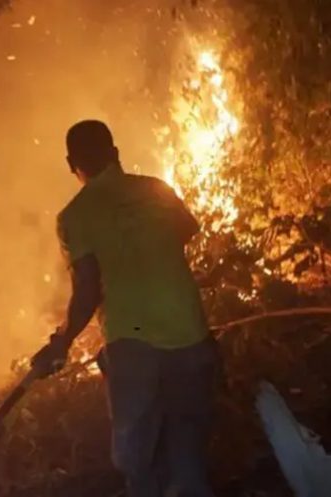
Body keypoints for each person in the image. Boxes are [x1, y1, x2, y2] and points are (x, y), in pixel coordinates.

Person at [31, 120, 218, 497]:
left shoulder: (74, 216)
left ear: (72, 165)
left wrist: (61, 342)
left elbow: (87, 291)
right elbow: (187, 231)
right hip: (190, 332)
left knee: (136, 458)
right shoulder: (156, 189)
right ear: (115, 153)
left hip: (134, 344)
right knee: (187, 446)